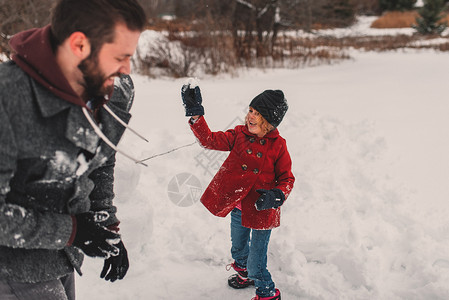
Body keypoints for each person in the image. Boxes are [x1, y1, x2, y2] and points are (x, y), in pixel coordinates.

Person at [0, 0, 146, 299]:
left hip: (61, 258)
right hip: (14, 269)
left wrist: (107, 229)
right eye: (120, 56)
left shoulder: (109, 88)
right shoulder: (9, 100)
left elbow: (101, 161)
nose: (126, 69)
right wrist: (73, 231)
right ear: (79, 44)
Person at [181, 81, 295, 300]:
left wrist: (276, 195)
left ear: (269, 121)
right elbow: (210, 140)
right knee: (238, 248)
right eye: (250, 110)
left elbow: (287, 178)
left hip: (263, 210)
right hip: (238, 206)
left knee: (256, 260)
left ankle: (267, 291)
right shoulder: (239, 135)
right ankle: (244, 273)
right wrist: (196, 115)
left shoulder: (278, 145)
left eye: (258, 114)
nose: (250, 116)